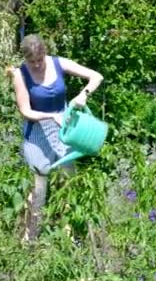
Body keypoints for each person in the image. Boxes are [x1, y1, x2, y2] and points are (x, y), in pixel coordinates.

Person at [6, 33, 104, 242]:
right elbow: (25, 111)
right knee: (39, 189)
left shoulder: (59, 63)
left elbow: (96, 77)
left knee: (67, 184)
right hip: (37, 133)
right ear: (25, 59)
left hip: (64, 131)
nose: (37, 65)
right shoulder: (20, 75)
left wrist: (83, 95)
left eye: (39, 60)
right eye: (32, 62)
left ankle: (66, 238)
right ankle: (29, 239)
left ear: (45, 53)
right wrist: (51, 116)